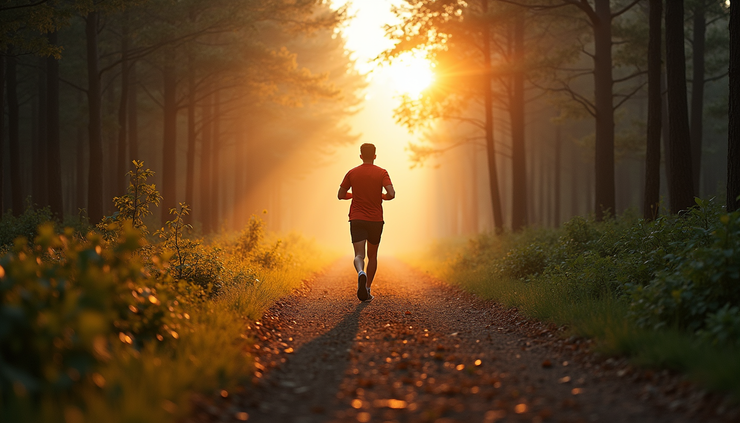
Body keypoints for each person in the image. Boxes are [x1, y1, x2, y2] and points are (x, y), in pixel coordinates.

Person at [338, 143, 395, 301]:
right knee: (373, 256)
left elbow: (340, 194)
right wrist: (381, 196)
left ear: (361, 156)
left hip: (357, 218)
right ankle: (368, 288)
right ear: (375, 156)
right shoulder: (382, 172)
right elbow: (391, 193)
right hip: (376, 220)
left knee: (359, 255)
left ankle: (360, 272)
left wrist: (354, 195)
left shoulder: (352, 172)